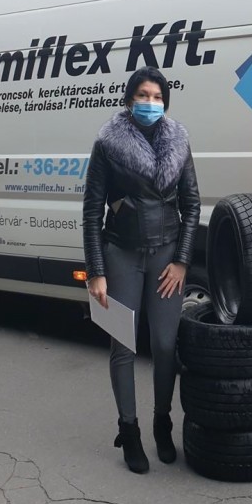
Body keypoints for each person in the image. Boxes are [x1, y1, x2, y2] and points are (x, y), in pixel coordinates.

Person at [83, 66, 200, 473]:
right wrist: (96, 271)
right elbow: (91, 210)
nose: (151, 102)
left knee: (165, 345)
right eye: (143, 95)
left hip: (166, 258)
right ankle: (129, 431)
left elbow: (192, 205)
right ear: (129, 99)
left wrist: (182, 261)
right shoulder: (107, 143)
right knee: (123, 347)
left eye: (157, 97)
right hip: (120, 254)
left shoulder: (179, 141)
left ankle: (162, 423)